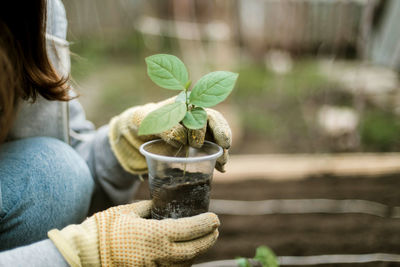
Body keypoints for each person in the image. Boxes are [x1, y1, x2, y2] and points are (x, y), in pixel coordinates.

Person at [0, 0, 232, 266]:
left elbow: (66, 163)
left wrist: (122, 145)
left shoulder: (40, 10)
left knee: (55, 171)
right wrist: (78, 255)